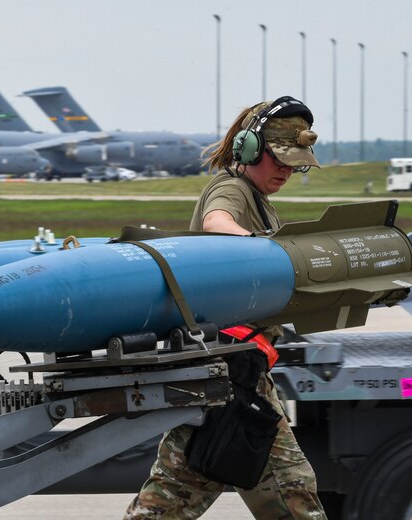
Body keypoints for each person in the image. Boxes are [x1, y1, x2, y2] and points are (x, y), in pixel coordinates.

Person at [124, 96, 327, 520]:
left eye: (296, 163)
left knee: (172, 499)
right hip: (228, 374)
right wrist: (271, 253)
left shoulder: (256, 195)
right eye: (280, 159)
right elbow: (218, 223)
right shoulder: (231, 189)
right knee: (291, 491)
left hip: (234, 371)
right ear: (250, 150)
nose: (288, 170)